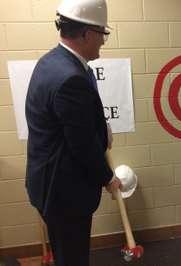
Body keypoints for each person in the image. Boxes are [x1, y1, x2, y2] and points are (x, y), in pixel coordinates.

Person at [25, 0, 121, 265]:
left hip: (48, 185)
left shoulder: (52, 61)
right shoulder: (71, 78)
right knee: (73, 257)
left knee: (66, 253)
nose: (103, 41)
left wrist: (101, 128)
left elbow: (70, 123)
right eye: (103, 34)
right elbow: (82, 146)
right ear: (87, 34)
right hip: (64, 192)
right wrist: (108, 177)